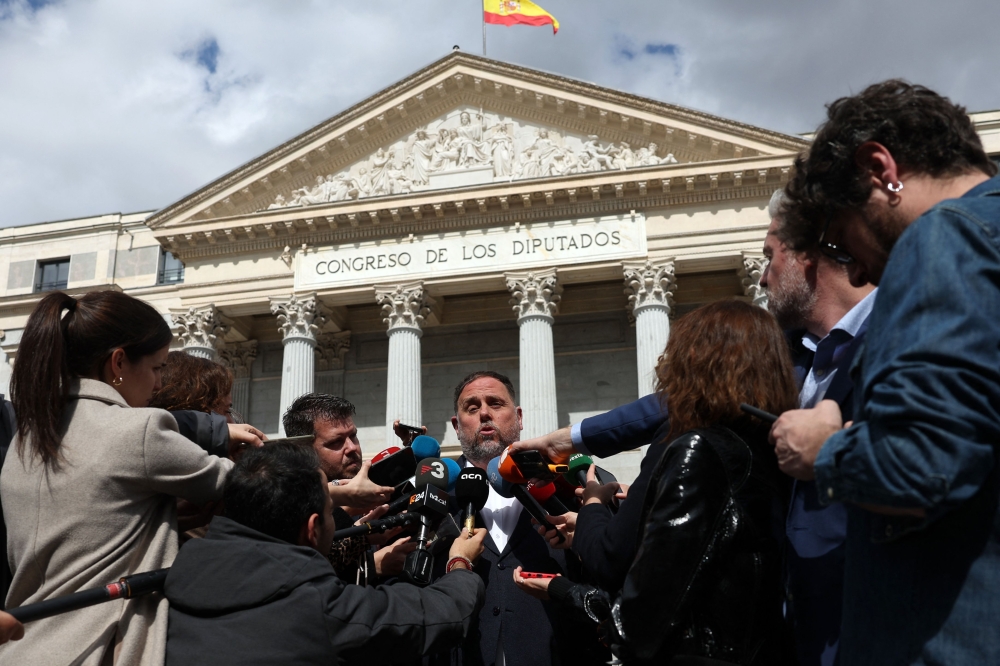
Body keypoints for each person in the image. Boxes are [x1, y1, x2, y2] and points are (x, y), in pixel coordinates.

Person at [771, 80, 1000, 665]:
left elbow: (922, 463)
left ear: (881, 170)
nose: (859, 270)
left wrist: (825, 449)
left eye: (841, 241)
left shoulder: (944, 237)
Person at [514, 299, 798, 665]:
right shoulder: (771, 451)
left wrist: (594, 503)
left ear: (691, 358)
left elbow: (613, 563)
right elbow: (682, 562)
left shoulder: (694, 445)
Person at [0, 290, 239, 666]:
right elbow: (239, 485)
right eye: (158, 367)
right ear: (119, 362)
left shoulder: (25, 439)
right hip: (100, 649)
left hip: (22, 645)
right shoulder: (137, 430)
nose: (160, 383)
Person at [164, 443, 487, 665]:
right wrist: (460, 562)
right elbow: (443, 615)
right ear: (313, 528)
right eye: (332, 509)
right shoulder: (315, 605)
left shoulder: (173, 579)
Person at [443, 371, 606, 666]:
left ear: (518, 417)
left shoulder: (573, 484)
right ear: (456, 425)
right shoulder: (435, 492)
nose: (484, 413)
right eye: (472, 407)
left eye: (495, 403)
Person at [281, 393, 416, 582]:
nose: (352, 447)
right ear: (303, 450)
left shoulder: (377, 488)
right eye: (336, 442)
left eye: (353, 436)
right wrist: (371, 565)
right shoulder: (287, 506)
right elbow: (301, 573)